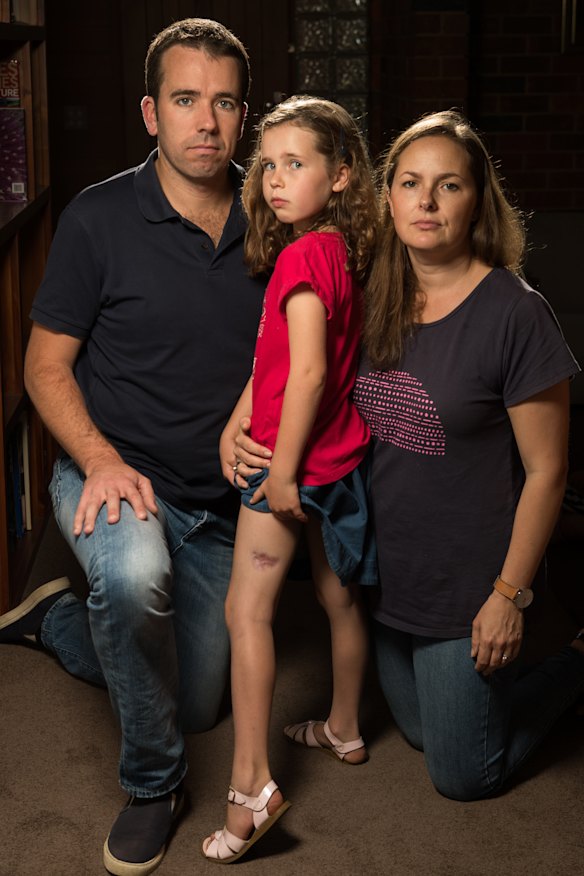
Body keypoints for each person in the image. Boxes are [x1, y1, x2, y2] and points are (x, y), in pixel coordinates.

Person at [0, 18, 266, 876]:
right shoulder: (98, 217)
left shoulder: (275, 224)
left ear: (244, 115)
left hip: (217, 504)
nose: (207, 123)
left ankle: (58, 622)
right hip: (108, 470)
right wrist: (102, 460)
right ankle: (152, 785)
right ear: (152, 113)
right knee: (133, 576)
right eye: (186, 100)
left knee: (195, 702)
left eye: (224, 102)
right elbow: (44, 369)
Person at [350, 109, 584, 801]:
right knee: (422, 731)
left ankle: (573, 663)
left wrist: (509, 597)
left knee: (462, 774)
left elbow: (549, 472)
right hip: (387, 573)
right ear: (387, 195)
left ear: (477, 199)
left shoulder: (517, 313)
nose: (426, 202)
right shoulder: (371, 294)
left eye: (448, 185)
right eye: (411, 183)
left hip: (470, 583)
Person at [201, 95, 378, 863]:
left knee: (247, 614)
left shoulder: (303, 258)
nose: (274, 178)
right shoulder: (337, 250)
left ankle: (251, 791)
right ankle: (344, 725)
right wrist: (239, 414)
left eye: (296, 164)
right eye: (268, 164)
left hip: (293, 464)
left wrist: (277, 473)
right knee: (338, 595)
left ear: (341, 175)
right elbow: (275, 355)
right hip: (339, 458)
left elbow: (304, 375)